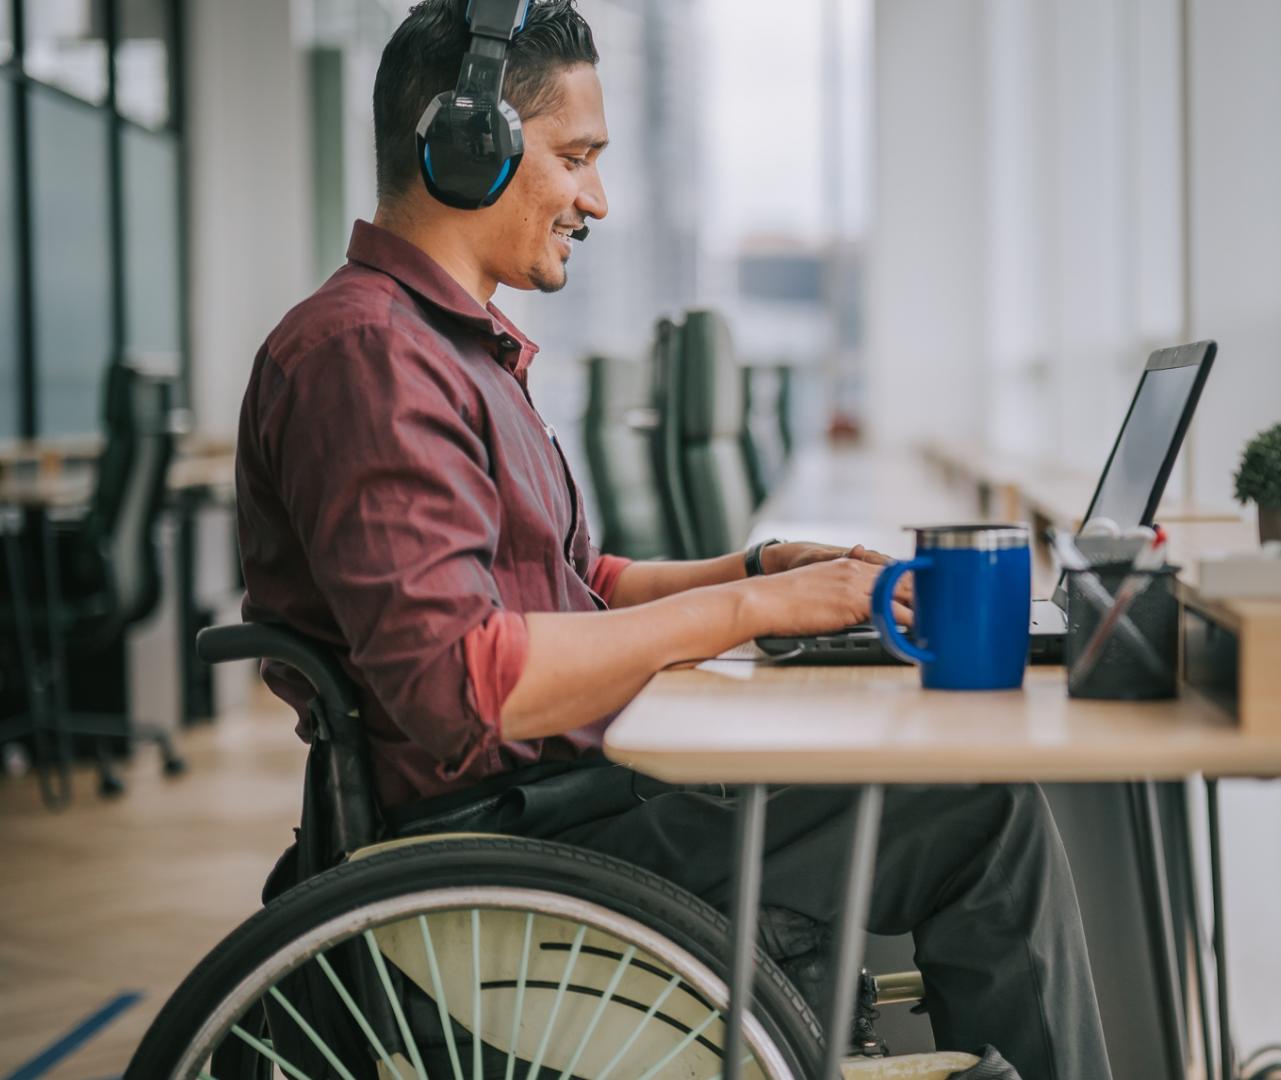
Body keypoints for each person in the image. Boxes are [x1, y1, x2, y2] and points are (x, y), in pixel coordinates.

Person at [232, 2, 1112, 1076]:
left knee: (959, 803)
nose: (595, 199)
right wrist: (751, 611)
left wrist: (759, 568)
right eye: (575, 158)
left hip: (571, 804)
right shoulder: (368, 357)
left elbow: (572, 584)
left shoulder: (444, 348)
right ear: (467, 146)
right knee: (978, 818)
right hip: (513, 848)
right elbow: (467, 685)